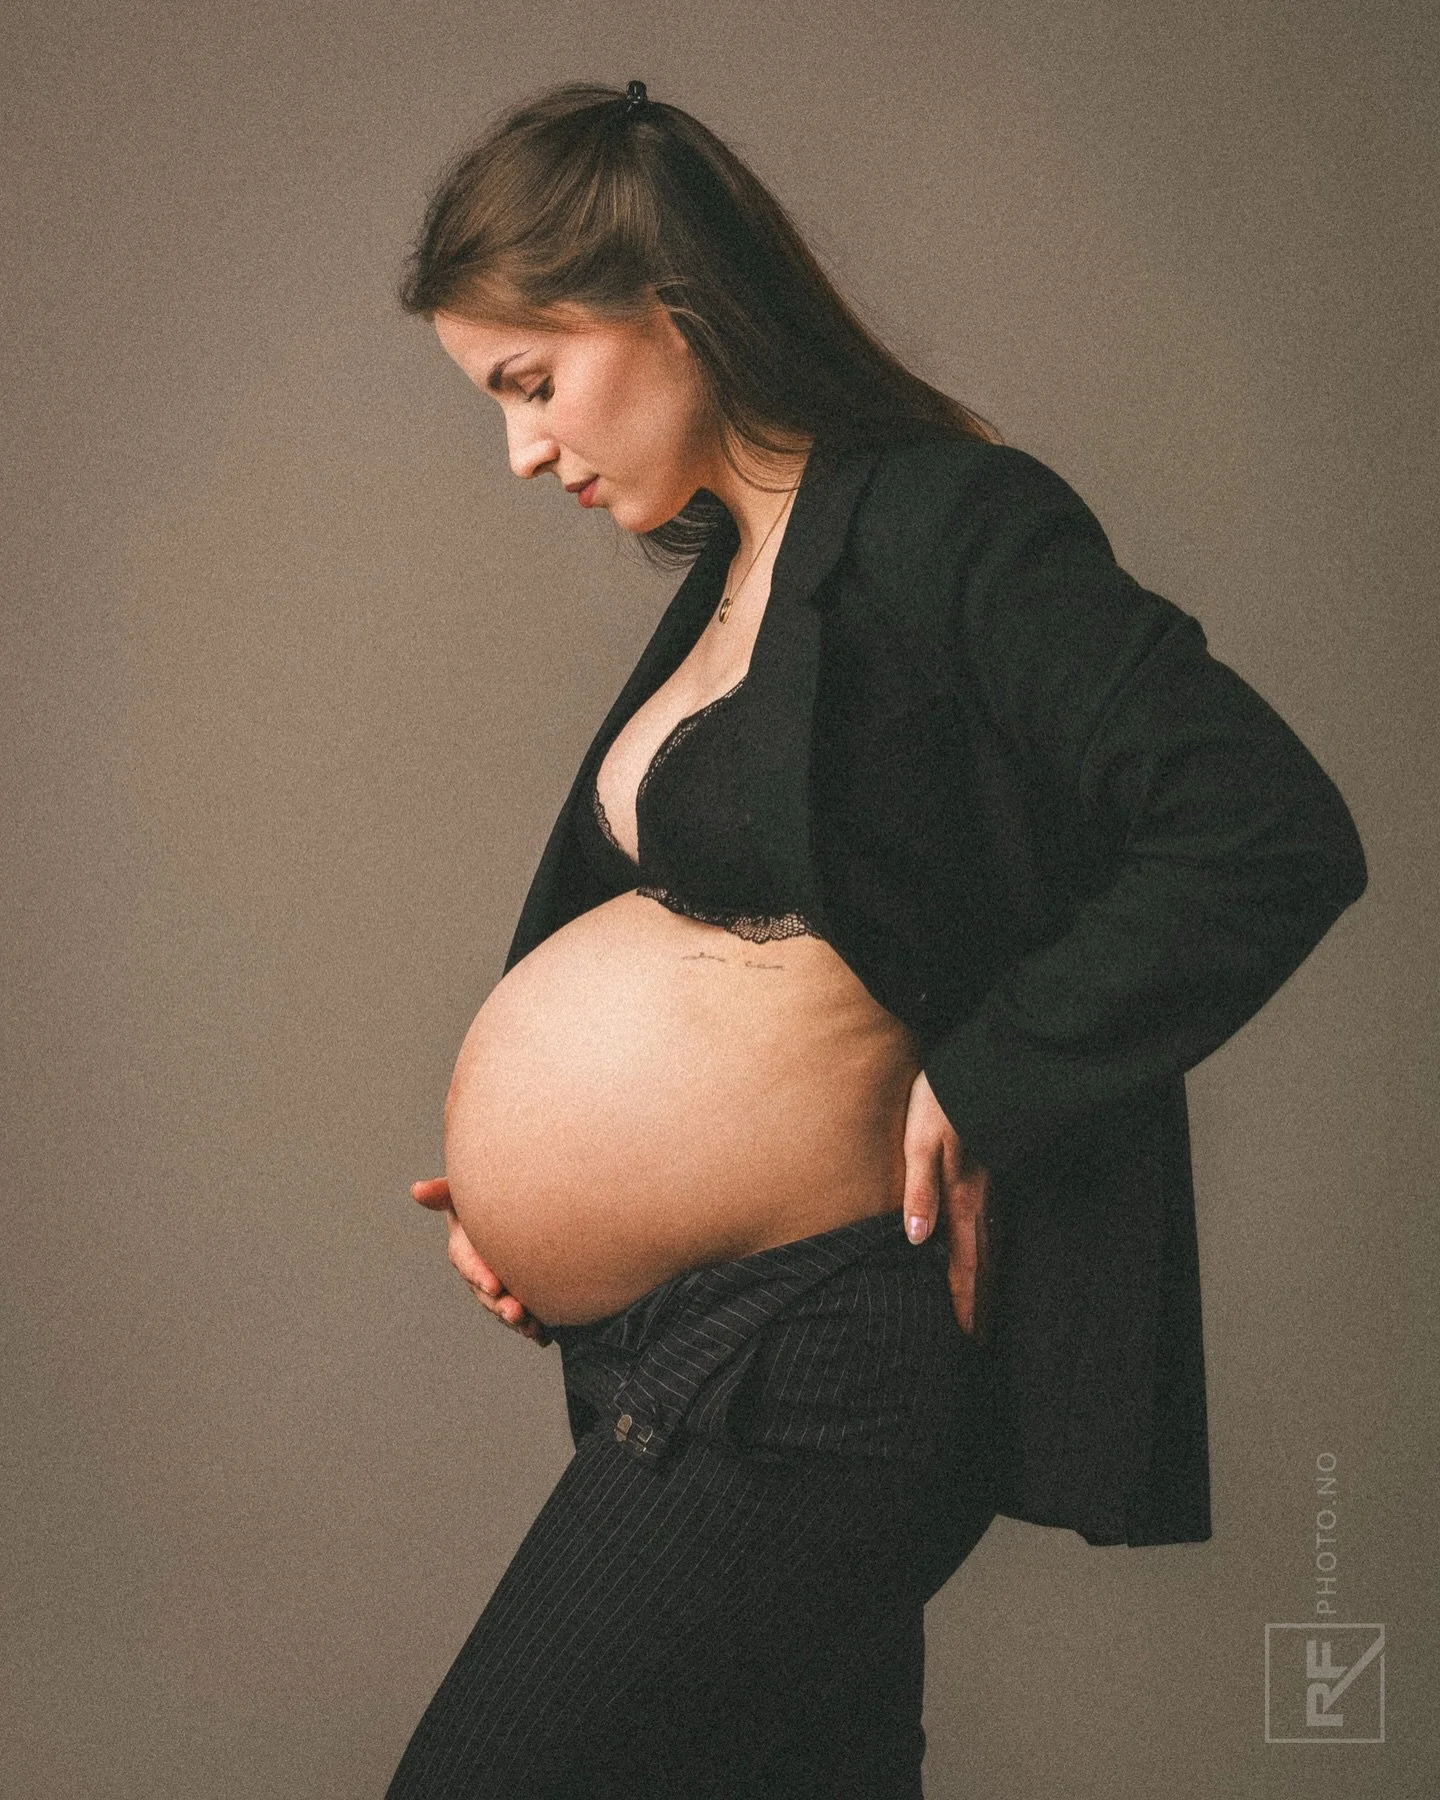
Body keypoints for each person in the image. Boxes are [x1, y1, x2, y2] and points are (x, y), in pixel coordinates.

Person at [384, 80, 1367, 1799]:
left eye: (533, 387)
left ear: (672, 307)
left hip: (824, 1342)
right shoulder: (729, 580)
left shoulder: (945, 524)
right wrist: (528, 1198)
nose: (522, 452)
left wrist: (992, 1081)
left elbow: (1261, 827)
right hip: (687, 1326)